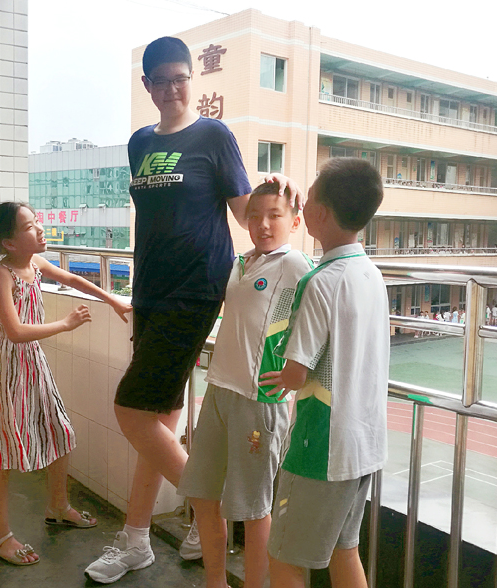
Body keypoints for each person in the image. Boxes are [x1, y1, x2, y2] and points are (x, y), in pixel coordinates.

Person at [84, 36, 299, 584]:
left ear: (190, 80)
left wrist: (280, 196)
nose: (174, 88)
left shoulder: (214, 135)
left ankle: (214, 520)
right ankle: (136, 539)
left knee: (131, 410)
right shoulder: (139, 143)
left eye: (182, 78)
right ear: (148, 85)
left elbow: (243, 207)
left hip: (195, 288)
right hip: (152, 291)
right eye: (162, 80)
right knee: (158, 422)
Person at [0, 202, 132, 566]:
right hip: (6, 368)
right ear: (10, 243)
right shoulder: (1, 274)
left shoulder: (33, 264)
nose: (41, 228)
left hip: (34, 364)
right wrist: (66, 324)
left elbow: (74, 280)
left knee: (60, 432)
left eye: (37, 221)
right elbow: (14, 332)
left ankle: (58, 506)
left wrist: (113, 300)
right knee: (1, 452)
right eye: (30, 226)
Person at [259, 157, 388, 588]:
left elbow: (296, 373)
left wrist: (276, 377)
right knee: (342, 548)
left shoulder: (321, 281)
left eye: (308, 197)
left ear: (320, 213)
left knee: (284, 556)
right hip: (365, 444)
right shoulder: (370, 273)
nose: (304, 204)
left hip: (321, 446)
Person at [176, 182, 312, 588]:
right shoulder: (241, 262)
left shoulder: (294, 264)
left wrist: (295, 371)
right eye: (255, 216)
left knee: (254, 509)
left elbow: (321, 318)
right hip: (218, 389)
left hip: (260, 400)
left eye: (275, 215)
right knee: (202, 493)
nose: (264, 224)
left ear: (296, 220)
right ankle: (214, 581)